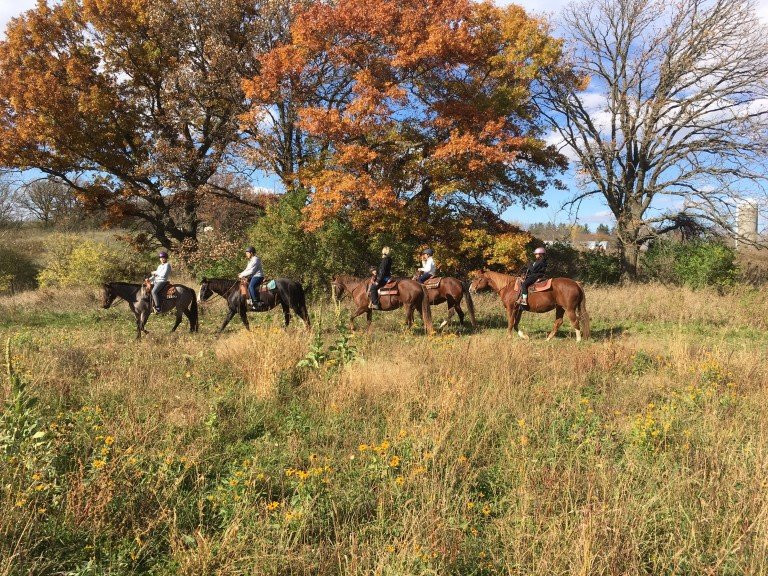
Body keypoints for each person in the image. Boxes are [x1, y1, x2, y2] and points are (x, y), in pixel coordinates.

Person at [238, 246, 265, 310]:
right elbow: (247, 269)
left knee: (251, 286)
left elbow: (251, 271)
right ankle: (249, 301)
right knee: (244, 285)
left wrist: (242, 275)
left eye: (247, 253)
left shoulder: (256, 259)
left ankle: (256, 302)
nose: (246, 254)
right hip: (253, 276)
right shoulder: (250, 261)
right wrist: (241, 273)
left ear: (251, 253)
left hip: (258, 276)